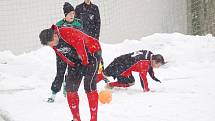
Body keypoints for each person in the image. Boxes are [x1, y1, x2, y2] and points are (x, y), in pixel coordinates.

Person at [39, 25, 101, 121]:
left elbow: (80, 45)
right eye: (49, 45)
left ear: (55, 36)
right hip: (76, 60)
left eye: (51, 43)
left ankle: (94, 119)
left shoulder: (66, 33)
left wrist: (84, 63)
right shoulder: (54, 44)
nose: (51, 46)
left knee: (89, 86)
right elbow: (61, 59)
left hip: (92, 53)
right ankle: (76, 118)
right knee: (70, 88)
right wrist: (60, 77)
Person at [47, 2, 83, 103]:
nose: (72, 15)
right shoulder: (58, 25)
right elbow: (52, 40)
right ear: (65, 15)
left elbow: (81, 39)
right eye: (70, 14)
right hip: (61, 54)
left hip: (74, 54)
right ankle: (53, 94)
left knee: (72, 74)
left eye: (73, 13)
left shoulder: (78, 24)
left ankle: (68, 87)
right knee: (60, 73)